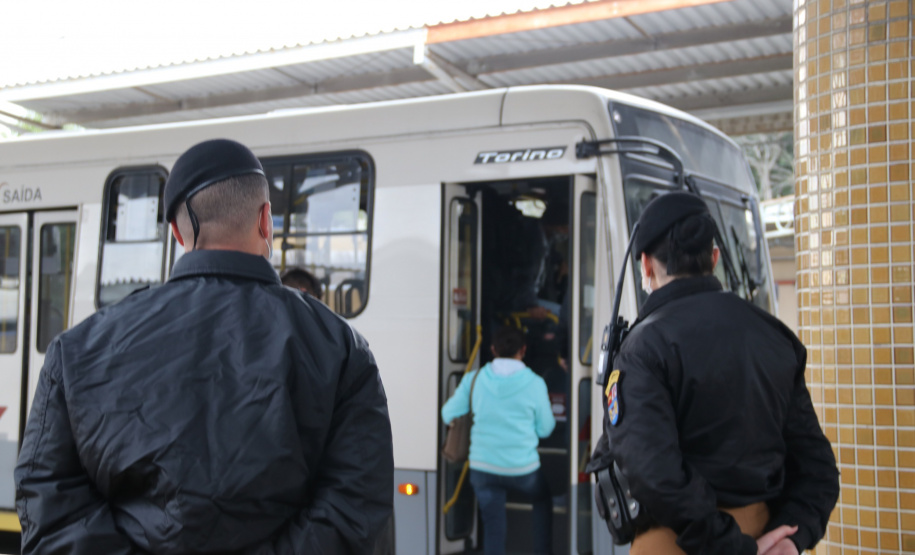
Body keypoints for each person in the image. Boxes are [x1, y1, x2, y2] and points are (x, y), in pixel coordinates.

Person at [15, 139, 394, 554]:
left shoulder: (77, 350)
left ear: (177, 232)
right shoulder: (341, 348)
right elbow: (354, 508)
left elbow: (49, 503)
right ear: (266, 220)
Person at [588, 192, 839, 555]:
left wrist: (731, 547)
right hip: (766, 532)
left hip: (678, 541)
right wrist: (792, 539)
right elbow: (818, 469)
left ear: (645, 265)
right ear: (715, 258)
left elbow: (654, 475)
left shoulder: (644, 348)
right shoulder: (775, 335)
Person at [441, 326, 556, 555]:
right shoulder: (535, 383)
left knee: (494, 529)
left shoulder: (475, 379)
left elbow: (448, 414)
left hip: (483, 469)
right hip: (523, 470)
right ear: (523, 350)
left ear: (493, 349)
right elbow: (546, 430)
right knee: (543, 499)